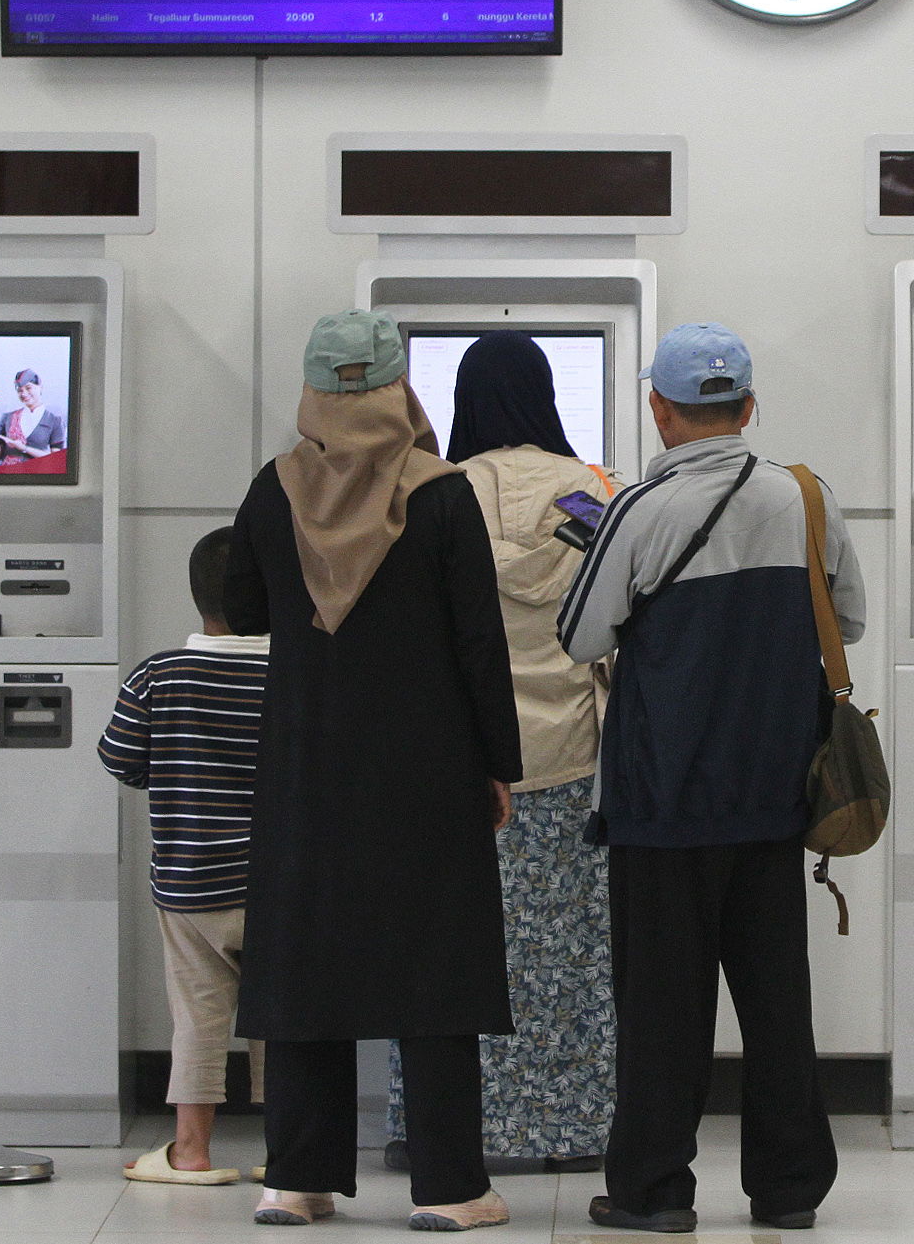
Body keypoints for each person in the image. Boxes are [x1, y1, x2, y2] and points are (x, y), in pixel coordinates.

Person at [222, 309, 526, 1230]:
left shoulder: (273, 492)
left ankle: (296, 1177)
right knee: (434, 970)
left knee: (306, 966)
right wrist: (499, 765)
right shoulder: (439, 495)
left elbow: (241, 607)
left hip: (306, 769)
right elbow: (481, 643)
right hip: (427, 771)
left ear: (314, 393)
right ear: (399, 388)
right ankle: (450, 1187)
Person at [557, 323, 863, 1234]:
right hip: (774, 796)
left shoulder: (640, 511)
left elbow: (581, 636)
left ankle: (653, 1189)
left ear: (660, 407)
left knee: (662, 1008)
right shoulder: (806, 499)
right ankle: (789, 1189)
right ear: (750, 404)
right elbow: (844, 619)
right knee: (777, 1004)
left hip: (662, 802)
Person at [385, 332, 620, 1173]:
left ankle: (455, 1127)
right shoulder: (597, 492)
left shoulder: (437, 493)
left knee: (454, 946)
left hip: (463, 763)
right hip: (574, 756)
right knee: (572, 949)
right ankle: (575, 1128)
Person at [98, 527, 271, 1186]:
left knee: (197, 1016)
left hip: (191, 882)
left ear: (197, 595)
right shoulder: (292, 672)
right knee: (276, 1021)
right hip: (276, 884)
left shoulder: (159, 673)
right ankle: (285, 1150)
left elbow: (120, 756)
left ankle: (190, 1151)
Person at [0, 367, 66, 461]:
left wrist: (24, 448)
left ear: (40, 387)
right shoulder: (8, 418)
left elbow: (56, 460)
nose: (24, 394)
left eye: (28, 388)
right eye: (20, 390)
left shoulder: (54, 421)